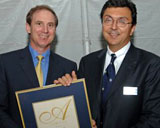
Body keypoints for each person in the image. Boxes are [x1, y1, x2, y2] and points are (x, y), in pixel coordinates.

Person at [54, 0, 160, 128]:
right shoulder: (88, 63)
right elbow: (80, 108)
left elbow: (154, 118)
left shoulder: (151, 65)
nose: (113, 27)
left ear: (132, 28)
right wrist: (66, 91)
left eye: (122, 21)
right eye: (108, 20)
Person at [0, 5, 77, 128]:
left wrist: (72, 90)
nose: (45, 30)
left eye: (50, 25)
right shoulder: (5, 63)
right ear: (28, 27)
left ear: (55, 30)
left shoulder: (68, 67)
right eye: (39, 24)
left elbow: (73, 112)